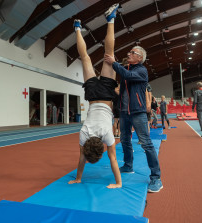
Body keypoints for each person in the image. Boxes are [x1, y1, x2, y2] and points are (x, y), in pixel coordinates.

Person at [68, 4, 122, 189]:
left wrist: (118, 183)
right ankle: (77, 28)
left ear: (100, 152)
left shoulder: (108, 136)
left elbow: (113, 158)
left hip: (106, 95)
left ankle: (111, 19)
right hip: (92, 96)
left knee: (110, 55)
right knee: (85, 58)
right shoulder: (83, 135)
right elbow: (82, 158)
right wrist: (78, 178)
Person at [104, 46, 163, 192]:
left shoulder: (141, 70)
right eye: (129, 52)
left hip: (138, 112)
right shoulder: (127, 69)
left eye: (132, 53)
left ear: (140, 58)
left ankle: (156, 177)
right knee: (124, 139)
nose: (129, 54)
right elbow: (123, 85)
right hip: (124, 112)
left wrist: (114, 63)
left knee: (146, 143)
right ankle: (128, 165)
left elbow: (128, 76)